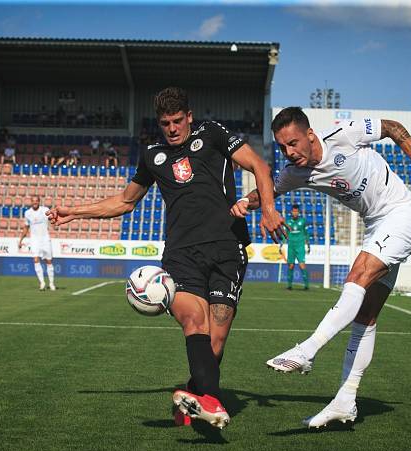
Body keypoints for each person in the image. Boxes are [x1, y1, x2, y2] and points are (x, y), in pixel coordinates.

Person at [47, 87, 283, 428]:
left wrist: (269, 208)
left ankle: (192, 396)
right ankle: (212, 404)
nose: (171, 129)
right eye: (164, 123)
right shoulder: (152, 155)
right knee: (194, 323)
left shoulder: (213, 134)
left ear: (189, 116)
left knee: (214, 345)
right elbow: (126, 202)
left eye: (176, 121)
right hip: (181, 256)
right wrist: (75, 211)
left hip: (227, 249)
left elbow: (258, 164)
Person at [232, 107, 411, 428]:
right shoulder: (295, 173)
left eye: (293, 143)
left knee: (357, 275)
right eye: (283, 147)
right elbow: (268, 191)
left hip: (402, 214)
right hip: (376, 226)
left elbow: (394, 128)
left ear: (310, 135)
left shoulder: (344, 134)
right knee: (365, 318)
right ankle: (345, 401)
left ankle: (308, 350)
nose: (289, 152)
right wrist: (246, 202)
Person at [19, 196, 56, 291]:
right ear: (31, 202)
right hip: (34, 239)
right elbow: (26, 227)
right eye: (33, 201)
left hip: (45, 238)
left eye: (36, 201)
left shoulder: (45, 210)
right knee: (35, 259)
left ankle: (51, 283)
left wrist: (54, 223)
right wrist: (21, 240)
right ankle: (42, 283)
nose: (35, 202)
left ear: (39, 201)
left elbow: (52, 220)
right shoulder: (27, 213)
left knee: (48, 261)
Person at [281, 204, 311, 290]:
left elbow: (306, 233)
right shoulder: (288, 221)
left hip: (300, 245)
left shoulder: (303, 221)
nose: (295, 213)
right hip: (291, 245)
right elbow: (285, 234)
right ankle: (289, 286)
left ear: (298, 212)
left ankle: (306, 286)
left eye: (296, 211)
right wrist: (281, 244)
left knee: (302, 265)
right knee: (291, 265)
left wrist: (308, 245)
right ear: (291, 212)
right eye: (293, 211)